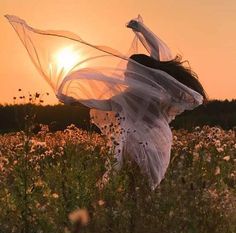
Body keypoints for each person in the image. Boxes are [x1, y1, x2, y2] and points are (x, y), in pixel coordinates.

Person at [5, 15, 207, 189]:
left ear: (140, 73)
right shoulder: (157, 92)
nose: (126, 73)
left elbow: (100, 102)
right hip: (155, 142)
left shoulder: (148, 92)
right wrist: (141, 29)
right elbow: (158, 53)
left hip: (138, 143)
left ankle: (135, 217)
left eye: (130, 70)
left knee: (134, 185)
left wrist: (72, 100)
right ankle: (138, 217)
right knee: (140, 186)